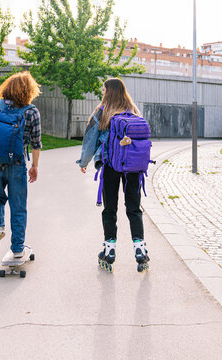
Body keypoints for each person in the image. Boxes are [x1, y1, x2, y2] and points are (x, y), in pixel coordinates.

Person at [76, 78, 149, 271]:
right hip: (133, 168)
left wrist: (83, 162)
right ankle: (140, 250)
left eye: (103, 89)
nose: (102, 91)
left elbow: (90, 138)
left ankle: (109, 251)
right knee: (134, 208)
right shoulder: (134, 111)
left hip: (111, 165)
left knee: (110, 209)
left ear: (108, 91)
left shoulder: (102, 111)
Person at [0, 72, 41, 258]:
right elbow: (36, 143)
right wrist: (34, 166)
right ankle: (17, 249)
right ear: (29, 91)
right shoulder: (31, 112)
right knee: (18, 207)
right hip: (16, 165)